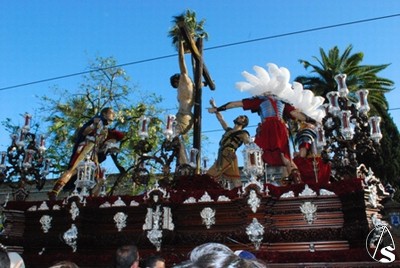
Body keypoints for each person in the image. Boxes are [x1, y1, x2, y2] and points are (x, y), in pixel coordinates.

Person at [208, 95, 313, 179]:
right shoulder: (282, 101)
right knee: (284, 157)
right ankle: (295, 183)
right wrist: (313, 120)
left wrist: (218, 108)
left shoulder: (259, 100)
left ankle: (257, 183)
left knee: (259, 157)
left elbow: (235, 104)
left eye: (243, 118)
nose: (240, 117)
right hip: (279, 127)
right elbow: (296, 114)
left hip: (267, 128)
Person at [48, 107, 124, 200]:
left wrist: (107, 149)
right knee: (74, 169)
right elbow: (84, 132)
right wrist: (94, 125)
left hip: (94, 153)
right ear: (104, 114)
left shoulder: (106, 130)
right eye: (111, 113)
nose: (113, 115)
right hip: (86, 148)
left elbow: (99, 145)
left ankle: (94, 199)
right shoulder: (97, 121)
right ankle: (54, 192)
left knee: (98, 176)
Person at [207, 99, 250, 189]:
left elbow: (248, 145)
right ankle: (239, 194)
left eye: (242, 118)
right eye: (239, 116)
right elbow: (220, 119)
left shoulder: (243, 133)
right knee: (234, 178)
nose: (239, 117)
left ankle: (241, 195)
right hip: (221, 154)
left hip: (229, 155)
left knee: (210, 175)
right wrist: (214, 105)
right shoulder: (228, 130)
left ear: (244, 123)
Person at [170, 38, 195, 165]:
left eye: (175, 82)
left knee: (173, 139)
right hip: (182, 115)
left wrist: (180, 43)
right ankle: (181, 162)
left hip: (185, 117)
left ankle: (183, 164)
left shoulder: (185, 79)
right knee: (171, 139)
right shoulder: (187, 86)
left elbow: (181, 59)